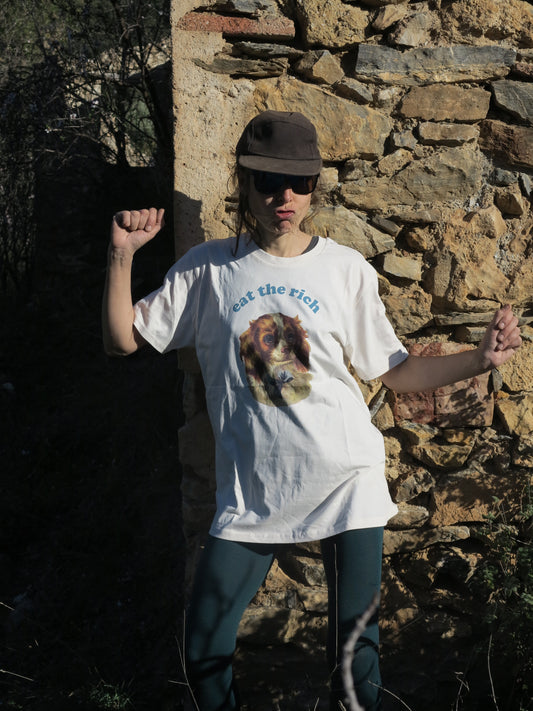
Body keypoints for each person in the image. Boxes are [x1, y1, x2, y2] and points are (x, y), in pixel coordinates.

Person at [102, 111, 522, 711]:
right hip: (252, 495)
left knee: (355, 665)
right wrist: (121, 255)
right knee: (204, 652)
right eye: (269, 181)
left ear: (315, 185)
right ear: (244, 182)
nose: (285, 198)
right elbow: (122, 340)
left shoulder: (344, 268)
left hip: (347, 482)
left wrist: (479, 358)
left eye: (300, 183)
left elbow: (396, 372)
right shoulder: (208, 270)